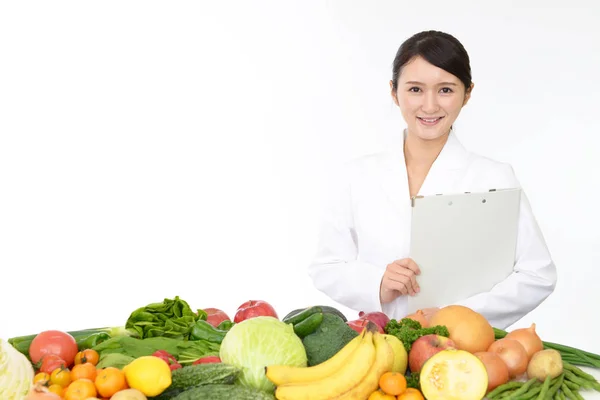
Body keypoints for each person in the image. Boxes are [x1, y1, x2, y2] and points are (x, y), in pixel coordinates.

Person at [307, 30, 557, 330]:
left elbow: (537, 275)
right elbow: (326, 267)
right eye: (415, 89)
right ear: (393, 91)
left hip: (463, 355)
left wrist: (454, 317)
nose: (429, 106)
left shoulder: (494, 177)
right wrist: (377, 284)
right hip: (378, 347)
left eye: (446, 90)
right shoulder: (356, 176)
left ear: (467, 93)